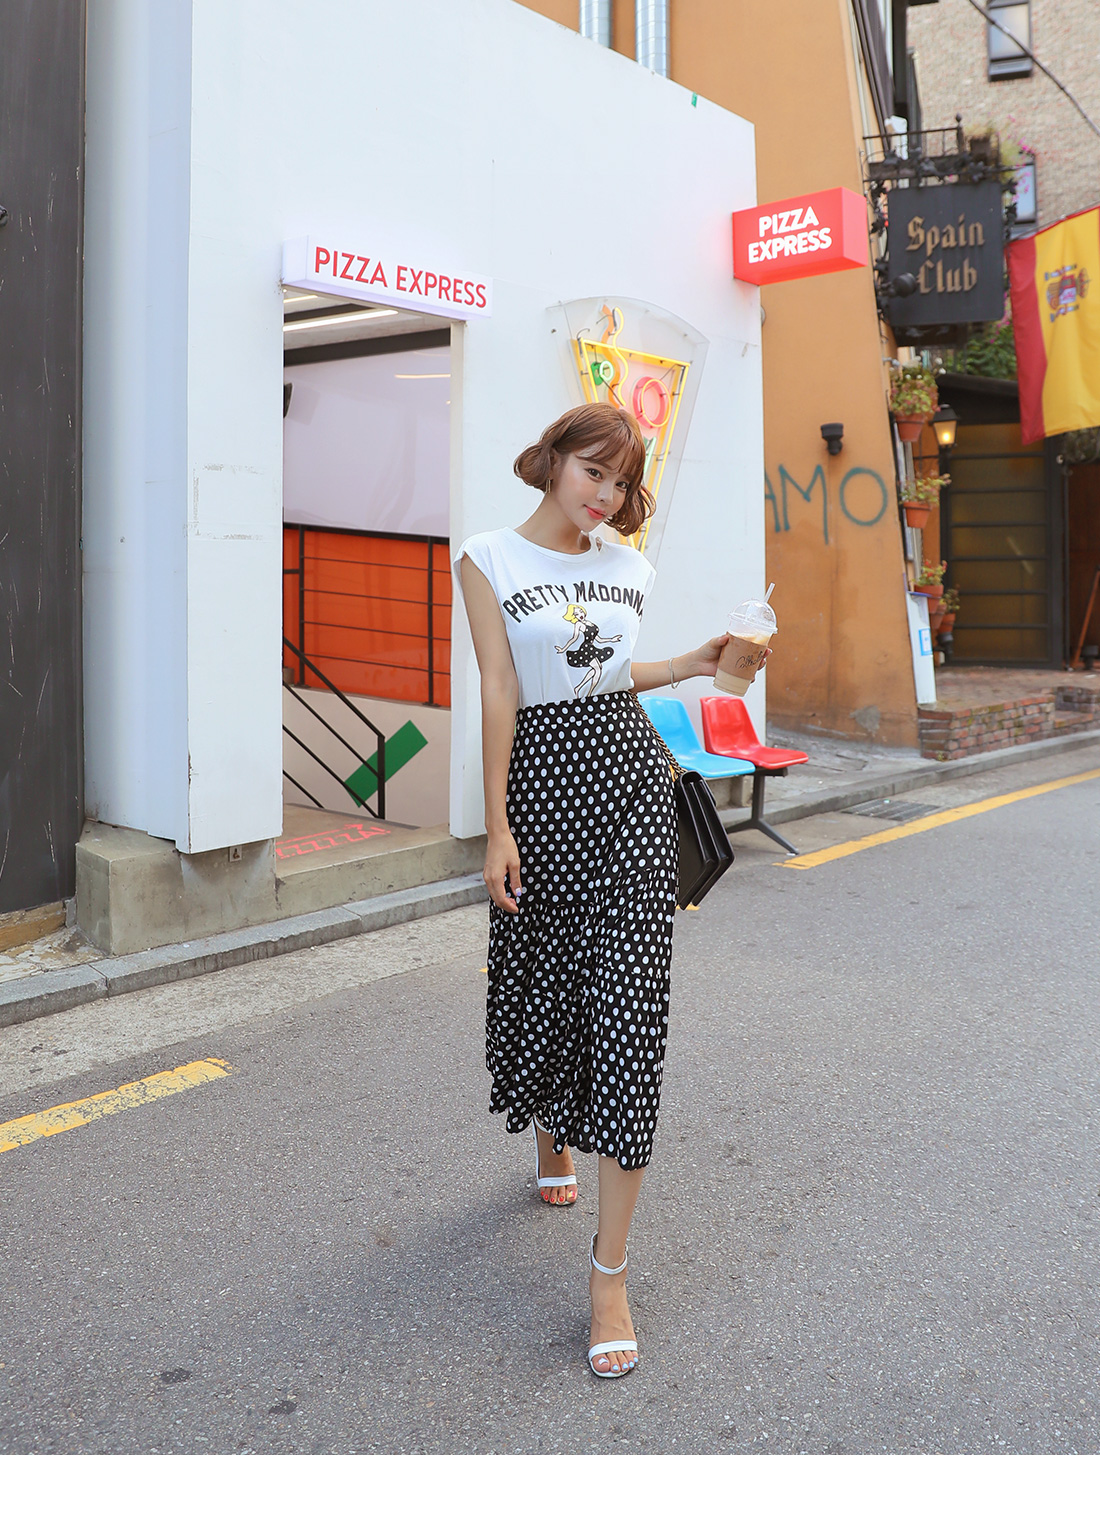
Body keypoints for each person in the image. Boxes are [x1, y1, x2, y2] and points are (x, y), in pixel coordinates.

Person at [454, 401, 734, 1379]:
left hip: (629, 789)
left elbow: (605, 673)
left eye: (621, 482)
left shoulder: (628, 566)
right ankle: (549, 1133)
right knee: (547, 976)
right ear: (553, 459)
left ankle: (608, 1272)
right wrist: (496, 825)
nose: (606, 496)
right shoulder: (488, 558)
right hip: (541, 792)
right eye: (593, 472)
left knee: (629, 1010)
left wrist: (691, 663)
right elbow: (503, 687)